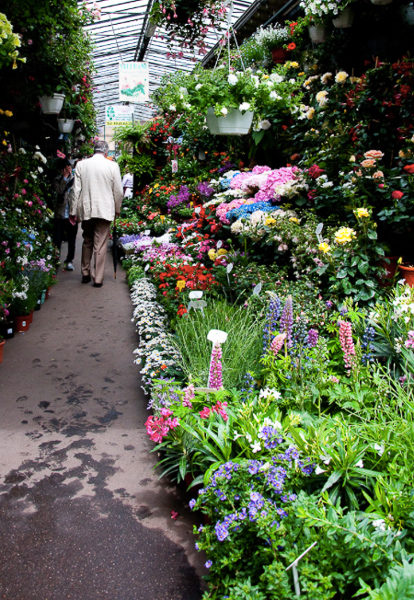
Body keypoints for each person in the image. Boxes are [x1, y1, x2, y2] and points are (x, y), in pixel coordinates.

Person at [69, 140, 123, 287]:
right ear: (105, 152)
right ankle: (97, 278)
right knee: (100, 244)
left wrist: (73, 211)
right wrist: (117, 209)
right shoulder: (112, 166)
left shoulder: (81, 165)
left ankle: (85, 273)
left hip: (87, 209)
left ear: (94, 150)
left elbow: (76, 190)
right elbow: (118, 191)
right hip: (105, 210)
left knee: (87, 240)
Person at [53, 158, 77, 271]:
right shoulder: (57, 180)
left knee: (72, 239)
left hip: (72, 214)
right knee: (57, 239)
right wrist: (64, 178)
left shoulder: (76, 180)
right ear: (63, 169)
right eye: (67, 167)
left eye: (70, 167)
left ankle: (69, 260)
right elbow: (59, 191)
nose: (69, 169)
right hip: (60, 214)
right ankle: (55, 260)